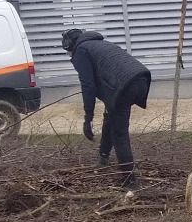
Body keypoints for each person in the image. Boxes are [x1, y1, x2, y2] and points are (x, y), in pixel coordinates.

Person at [62, 28, 152, 188]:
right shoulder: (99, 44)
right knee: (110, 117)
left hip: (125, 87)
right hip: (142, 80)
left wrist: (88, 118)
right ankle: (103, 156)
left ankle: (130, 181)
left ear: (69, 46)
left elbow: (88, 85)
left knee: (119, 134)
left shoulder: (81, 51)